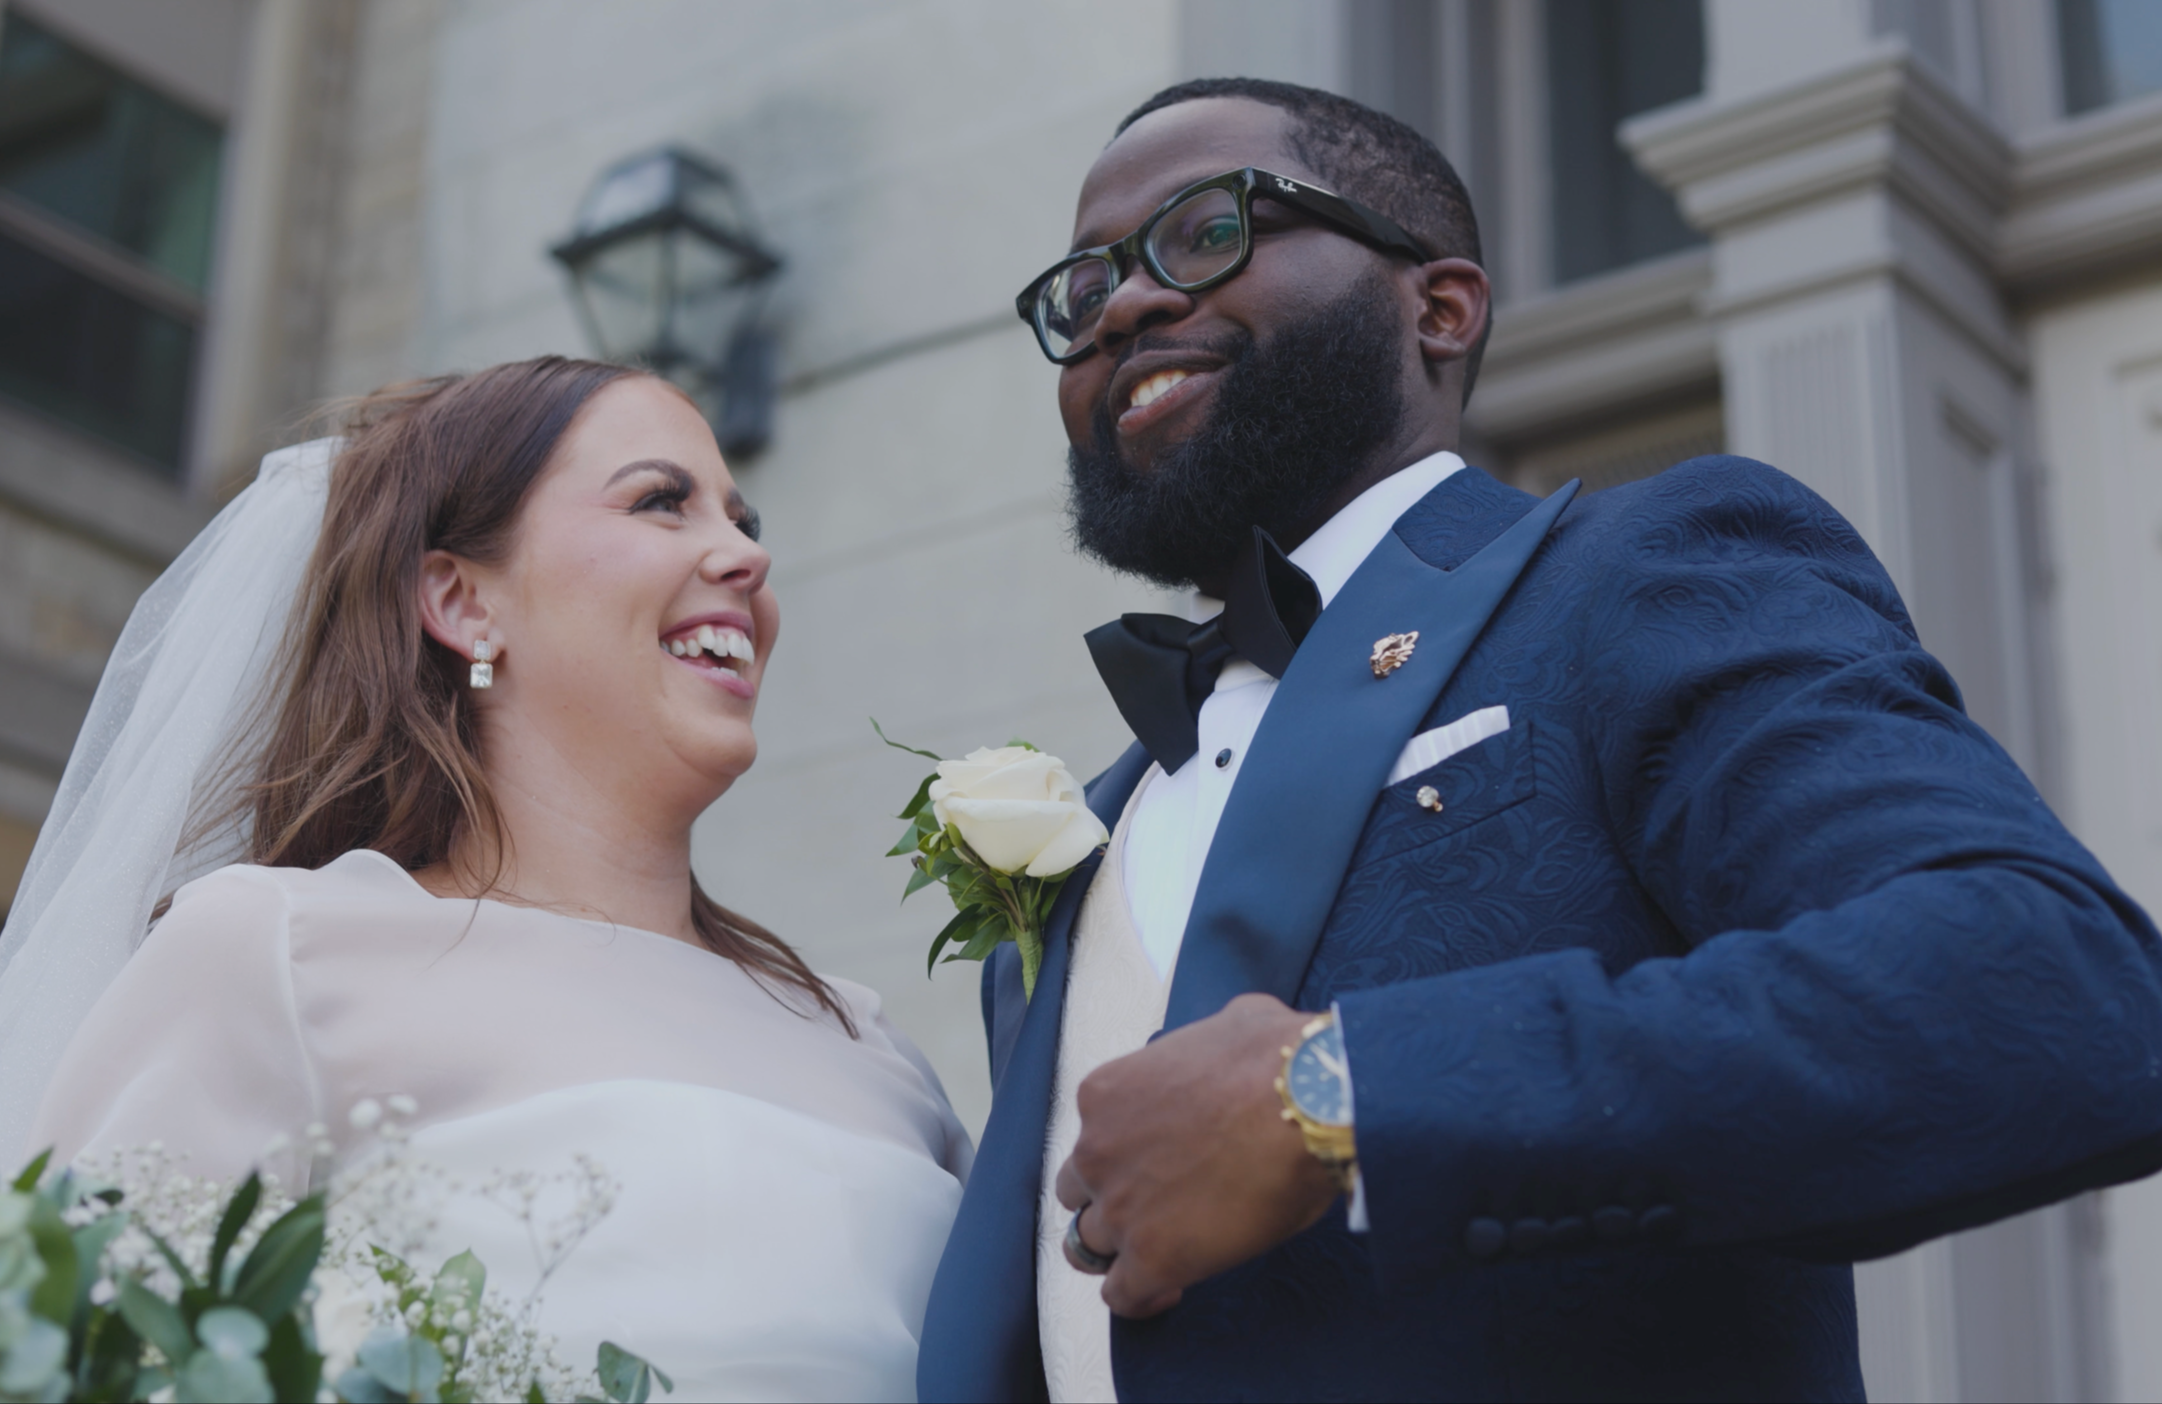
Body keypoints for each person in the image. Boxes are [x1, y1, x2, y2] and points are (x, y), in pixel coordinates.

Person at [918, 77, 2162, 1402]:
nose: (1120, 306)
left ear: (1439, 308)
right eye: (1084, 290)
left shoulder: (1638, 571)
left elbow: (2049, 990)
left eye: (1205, 232)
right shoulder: (1089, 834)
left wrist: (1340, 1095)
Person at [1, 357, 971, 1401]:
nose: (746, 554)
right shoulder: (277, 953)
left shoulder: (872, 1050)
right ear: (463, 602)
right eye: (660, 501)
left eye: (745, 521)